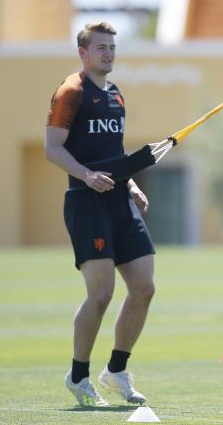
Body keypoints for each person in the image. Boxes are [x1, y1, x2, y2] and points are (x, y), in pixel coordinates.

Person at [45, 22, 156, 406]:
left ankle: (117, 371)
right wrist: (87, 175)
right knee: (102, 293)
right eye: (101, 47)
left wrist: (131, 184)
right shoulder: (71, 92)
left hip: (118, 199)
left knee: (144, 287)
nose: (108, 53)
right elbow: (52, 148)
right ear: (83, 53)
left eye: (112, 47)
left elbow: (114, 151)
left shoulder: (116, 95)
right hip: (85, 201)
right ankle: (78, 376)